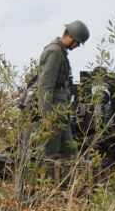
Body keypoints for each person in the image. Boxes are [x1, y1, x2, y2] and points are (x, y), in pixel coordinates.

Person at [33, 20, 90, 160]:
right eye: (77, 42)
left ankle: (68, 175)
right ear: (70, 36)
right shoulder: (54, 52)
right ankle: (38, 175)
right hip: (53, 111)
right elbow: (45, 85)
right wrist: (46, 115)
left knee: (69, 152)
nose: (77, 46)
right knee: (47, 154)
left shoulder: (60, 52)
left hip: (61, 110)